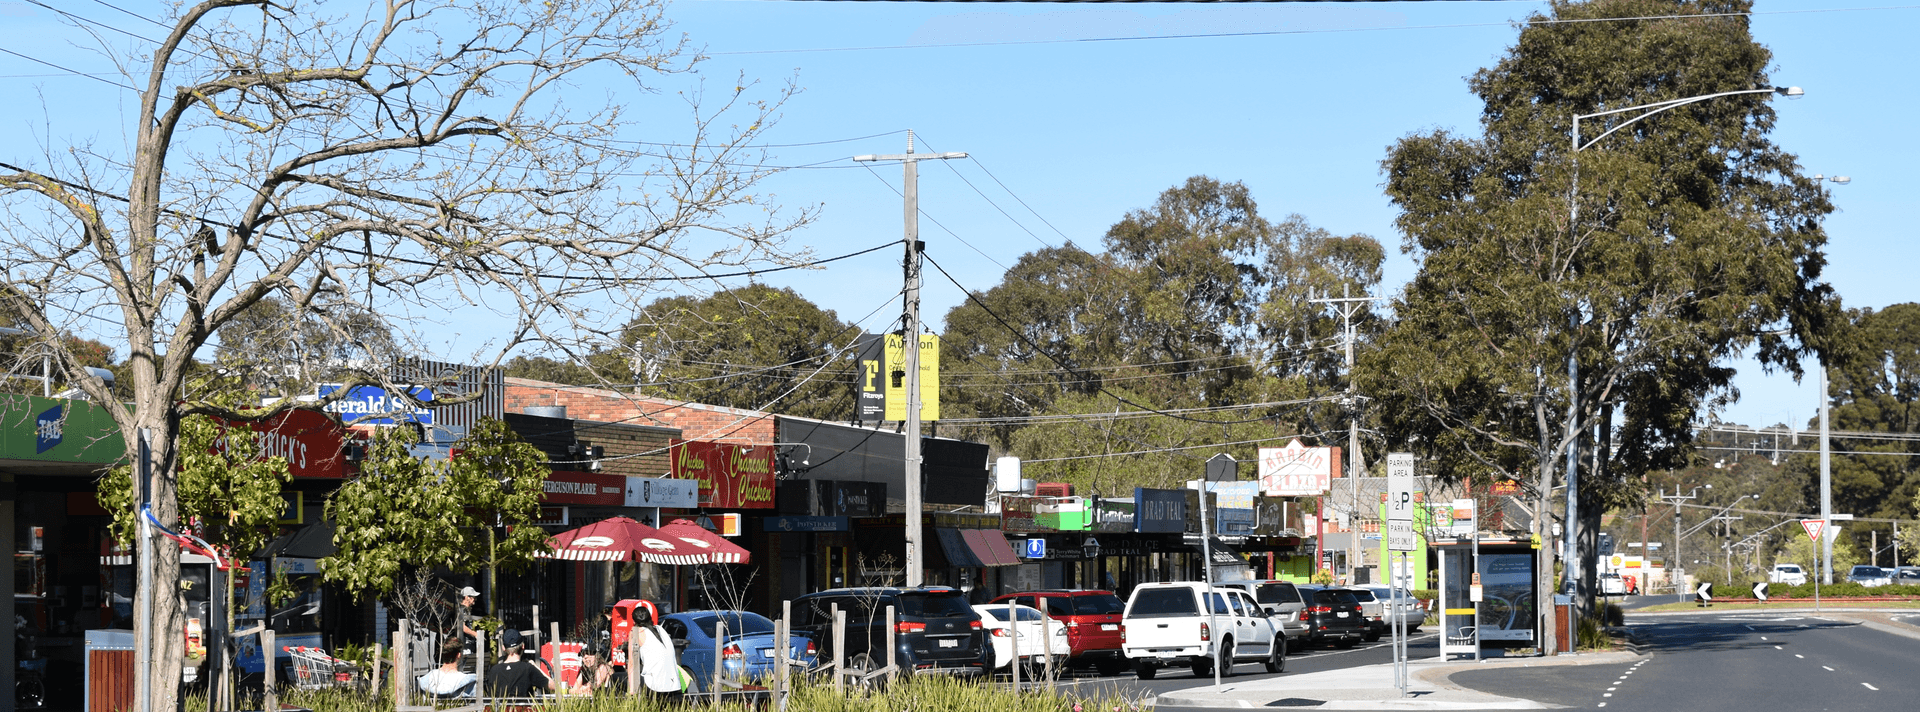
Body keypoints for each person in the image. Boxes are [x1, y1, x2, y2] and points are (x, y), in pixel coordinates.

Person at [630, 600, 684, 697]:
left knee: (616, 678)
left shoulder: (637, 632)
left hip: (654, 684)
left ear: (634, 621)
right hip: (673, 684)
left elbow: (631, 663)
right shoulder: (661, 629)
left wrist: (632, 690)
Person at [485, 630, 553, 698]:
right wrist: (535, 667)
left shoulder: (494, 670)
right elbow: (553, 687)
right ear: (523, 646)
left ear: (503, 648)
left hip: (500, 705)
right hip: (523, 705)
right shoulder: (528, 668)